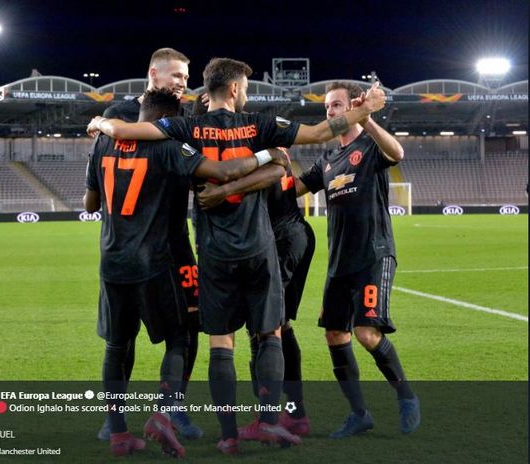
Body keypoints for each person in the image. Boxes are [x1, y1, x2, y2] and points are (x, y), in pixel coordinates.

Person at [87, 57, 385, 454]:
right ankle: (262, 420)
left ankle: (221, 433)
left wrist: (102, 125)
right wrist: (363, 111)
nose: (246, 92)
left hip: (203, 252)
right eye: (244, 86)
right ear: (232, 89)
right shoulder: (257, 126)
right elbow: (313, 135)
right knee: (267, 333)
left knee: (216, 341)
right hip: (254, 246)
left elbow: (122, 137)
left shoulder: (182, 128)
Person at [85, 88, 286, 457]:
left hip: (111, 261)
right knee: (180, 337)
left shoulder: (101, 144)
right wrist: (267, 153)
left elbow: (90, 202)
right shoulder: (169, 146)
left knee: (116, 345)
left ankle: (117, 434)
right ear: (169, 120)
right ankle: (164, 412)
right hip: (154, 260)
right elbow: (223, 171)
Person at [295, 81, 419, 438]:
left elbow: (397, 153)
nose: (330, 112)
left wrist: (367, 119)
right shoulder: (327, 160)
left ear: (352, 108)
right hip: (339, 263)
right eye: (328, 108)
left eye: (336, 105)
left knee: (366, 332)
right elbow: (294, 189)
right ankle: (359, 413)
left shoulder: (369, 146)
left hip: (373, 254)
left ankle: (406, 395)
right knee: (335, 334)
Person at [96, 47, 203, 442]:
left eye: (186, 78)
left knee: (189, 328)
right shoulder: (119, 114)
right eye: (177, 76)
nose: (183, 83)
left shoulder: (184, 117)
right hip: (140, 241)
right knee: (126, 338)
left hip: (175, 242)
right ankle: (116, 418)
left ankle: (172, 409)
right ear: (154, 73)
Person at [198, 147, 316, 439]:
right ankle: (290, 413)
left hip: (281, 238)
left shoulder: (251, 149)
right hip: (285, 236)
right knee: (277, 323)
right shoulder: (258, 147)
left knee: (266, 325)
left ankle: (273, 416)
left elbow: (277, 168)